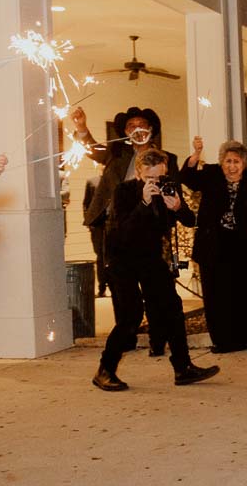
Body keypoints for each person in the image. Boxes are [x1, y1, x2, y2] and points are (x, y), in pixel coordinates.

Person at [92, 150, 218, 390]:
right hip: (122, 260)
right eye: (150, 178)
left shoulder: (169, 187)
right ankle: (105, 370)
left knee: (172, 309)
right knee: (131, 316)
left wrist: (179, 207)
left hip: (150, 257)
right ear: (139, 172)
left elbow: (191, 221)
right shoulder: (124, 191)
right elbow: (123, 232)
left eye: (159, 177)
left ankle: (183, 368)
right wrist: (144, 202)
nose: (156, 183)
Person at [71, 106, 179, 353]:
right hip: (113, 226)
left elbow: (173, 189)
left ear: (151, 130)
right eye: (131, 126)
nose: (137, 129)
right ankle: (126, 337)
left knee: (155, 286)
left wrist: (172, 211)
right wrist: (81, 128)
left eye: (142, 124)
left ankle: (157, 339)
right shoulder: (116, 152)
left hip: (149, 227)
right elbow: (93, 150)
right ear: (125, 132)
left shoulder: (166, 158)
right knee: (120, 286)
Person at [180, 137, 247, 353]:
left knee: (243, 293)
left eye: (236, 162)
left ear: (244, 163)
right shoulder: (211, 174)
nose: (232, 166)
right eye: (228, 161)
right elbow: (188, 177)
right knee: (215, 294)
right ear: (222, 162)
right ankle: (222, 341)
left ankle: (244, 338)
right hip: (213, 244)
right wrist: (196, 152)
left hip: (241, 245)